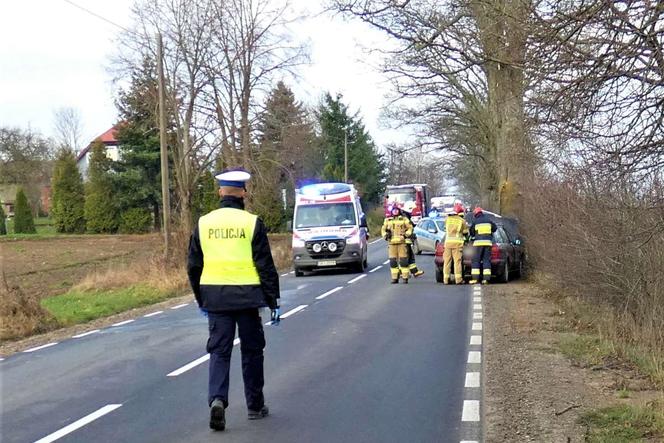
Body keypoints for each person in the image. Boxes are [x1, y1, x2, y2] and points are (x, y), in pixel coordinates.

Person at [187, 168, 280, 431]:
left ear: (220, 192)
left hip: (215, 298)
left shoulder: (203, 223)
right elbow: (265, 265)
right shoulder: (252, 223)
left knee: (219, 351)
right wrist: (273, 300)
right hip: (248, 298)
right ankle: (254, 405)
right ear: (243, 193)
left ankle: (217, 399)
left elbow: (193, 265)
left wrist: (200, 298)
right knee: (252, 350)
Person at [381, 205, 412, 284]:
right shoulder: (388, 220)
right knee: (393, 261)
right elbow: (383, 229)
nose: (395, 211)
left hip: (402, 243)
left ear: (399, 211)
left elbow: (410, 228)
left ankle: (405, 277)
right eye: (393, 210)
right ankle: (394, 278)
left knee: (403, 261)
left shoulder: (404, 219)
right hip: (392, 243)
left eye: (396, 210)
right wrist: (385, 235)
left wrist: (406, 235)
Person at [468, 206, 497, 284]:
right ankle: (486, 279)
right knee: (486, 260)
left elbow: (471, 232)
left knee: (476, 260)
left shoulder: (475, 221)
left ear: (476, 214)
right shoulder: (488, 220)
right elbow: (495, 228)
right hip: (488, 243)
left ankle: (475, 279)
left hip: (478, 244)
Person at [442, 202, 469, 284]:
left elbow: (444, 229)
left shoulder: (447, 219)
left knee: (447, 261)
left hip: (447, 243)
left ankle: (446, 279)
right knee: (457, 262)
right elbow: (465, 232)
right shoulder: (462, 221)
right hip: (457, 244)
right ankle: (458, 279)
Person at [401, 201, 424, 278]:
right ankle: (403, 273)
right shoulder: (405, 217)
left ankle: (415, 272)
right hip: (404, 241)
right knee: (405, 257)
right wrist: (412, 235)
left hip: (406, 241)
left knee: (410, 257)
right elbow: (407, 228)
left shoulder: (406, 216)